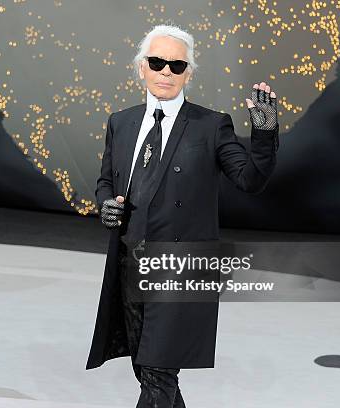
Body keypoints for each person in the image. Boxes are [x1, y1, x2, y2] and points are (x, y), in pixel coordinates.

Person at [86, 24, 279, 407]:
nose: (166, 72)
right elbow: (106, 181)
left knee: (158, 373)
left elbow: (250, 179)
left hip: (181, 267)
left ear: (189, 73)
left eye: (177, 65)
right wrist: (105, 205)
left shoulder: (211, 125)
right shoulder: (121, 123)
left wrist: (264, 131)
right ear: (141, 67)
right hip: (131, 264)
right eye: (157, 62)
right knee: (149, 372)